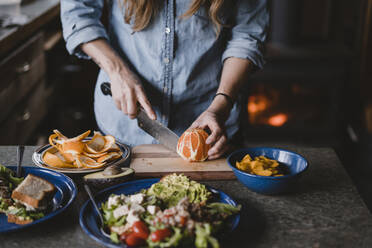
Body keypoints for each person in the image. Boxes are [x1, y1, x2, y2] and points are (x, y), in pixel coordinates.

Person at [60, 0, 268, 160]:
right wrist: (116, 70)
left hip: (211, 132)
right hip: (122, 130)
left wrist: (221, 104)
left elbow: (248, 35)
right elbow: (77, 11)